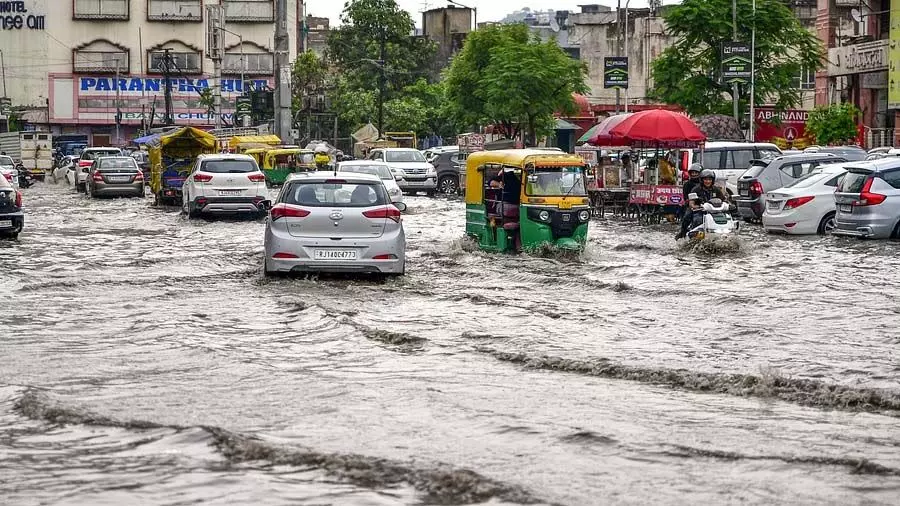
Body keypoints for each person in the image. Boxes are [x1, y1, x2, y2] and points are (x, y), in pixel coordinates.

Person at [676, 169, 726, 239]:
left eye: (709, 179)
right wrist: (694, 206)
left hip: (714, 211)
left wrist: (730, 204)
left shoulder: (716, 189)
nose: (708, 181)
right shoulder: (696, 189)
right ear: (702, 180)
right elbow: (691, 202)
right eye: (705, 179)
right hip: (699, 210)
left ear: (712, 180)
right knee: (687, 216)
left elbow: (724, 199)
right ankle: (683, 232)